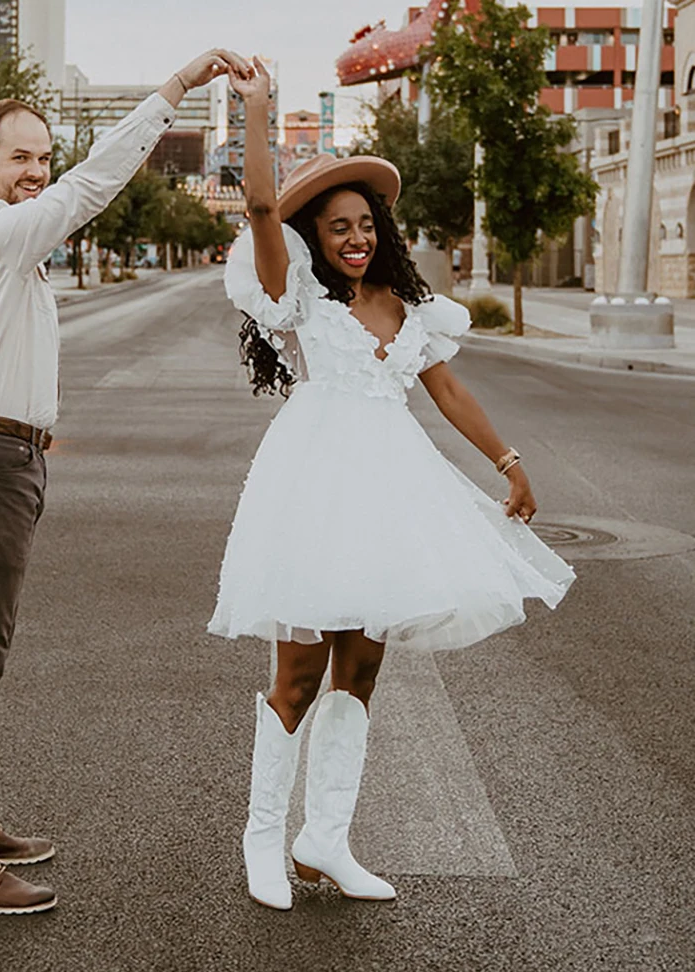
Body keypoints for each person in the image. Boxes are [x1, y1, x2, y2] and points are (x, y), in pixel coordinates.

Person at [209, 59, 575, 911]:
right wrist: (258, 112)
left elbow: (446, 390)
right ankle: (265, 836)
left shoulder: (409, 308)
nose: (354, 238)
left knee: (362, 671)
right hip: (314, 488)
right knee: (296, 676)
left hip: (389, 495)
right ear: (313, 235)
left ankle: (325, 838)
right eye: (336, 226)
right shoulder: (295, 293)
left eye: (364, 223)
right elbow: (263, 205)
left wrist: (509, 462)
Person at [0, 48, 254, 916]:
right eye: (20, 157)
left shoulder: (6, 239)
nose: (36, 172)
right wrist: (175, 92)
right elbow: (87, 188)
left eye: (42, 155)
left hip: (7, 457)